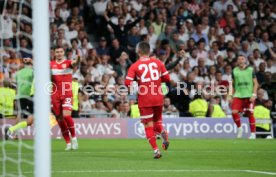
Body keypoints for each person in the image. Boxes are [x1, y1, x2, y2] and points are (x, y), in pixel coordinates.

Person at [125, 42, 170, 159]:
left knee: (148, 126)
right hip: (158, 97)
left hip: (145, 99)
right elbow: (167, 78)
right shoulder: (158, 62)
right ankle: (163, 132)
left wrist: (136, 83)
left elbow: (127, 83)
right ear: (149, 51)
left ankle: (156, 151)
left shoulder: (135, 66)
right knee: (157, 123)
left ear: (138, 52)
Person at [51, 47, 81, 150]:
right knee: (59, 119)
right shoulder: (51, 65)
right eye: (57, 52)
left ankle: (74, 137)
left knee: (66, 116)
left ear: (63, 53)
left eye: (61, 52)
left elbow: (75, 63)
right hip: (55, 94)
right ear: (54, 53)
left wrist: (78, 59)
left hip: (66, 92)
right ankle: (67, 142)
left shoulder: (68, 63)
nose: (59, 53)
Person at [229, 55, 258, 139]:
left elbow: (256, 83)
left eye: (242, 59)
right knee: (234, 112)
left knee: (250, 114)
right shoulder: (234, 70)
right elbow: (233, 84)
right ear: (237, 61)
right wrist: (230, 95)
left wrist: (254, 94)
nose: (240, 60)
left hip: (249, 95)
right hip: (238, 95)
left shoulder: (250, 70)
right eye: (239, 59)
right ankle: (240, 128)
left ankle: (253, 134)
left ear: (245, 60)